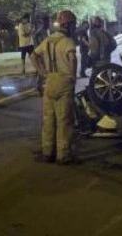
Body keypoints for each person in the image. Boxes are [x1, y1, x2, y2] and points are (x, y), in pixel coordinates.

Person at [30, 10, 79, 165]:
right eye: (73, 25)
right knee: (64, 120)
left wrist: (42, 72)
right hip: (64, 82)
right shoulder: (68, 42)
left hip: (50, 81)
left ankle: (47, 152)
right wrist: (73, 76)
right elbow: (72, 59)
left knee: (48, 119)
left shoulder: (48, 40)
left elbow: (33, 55)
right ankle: (63, 155)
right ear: (69, 25)